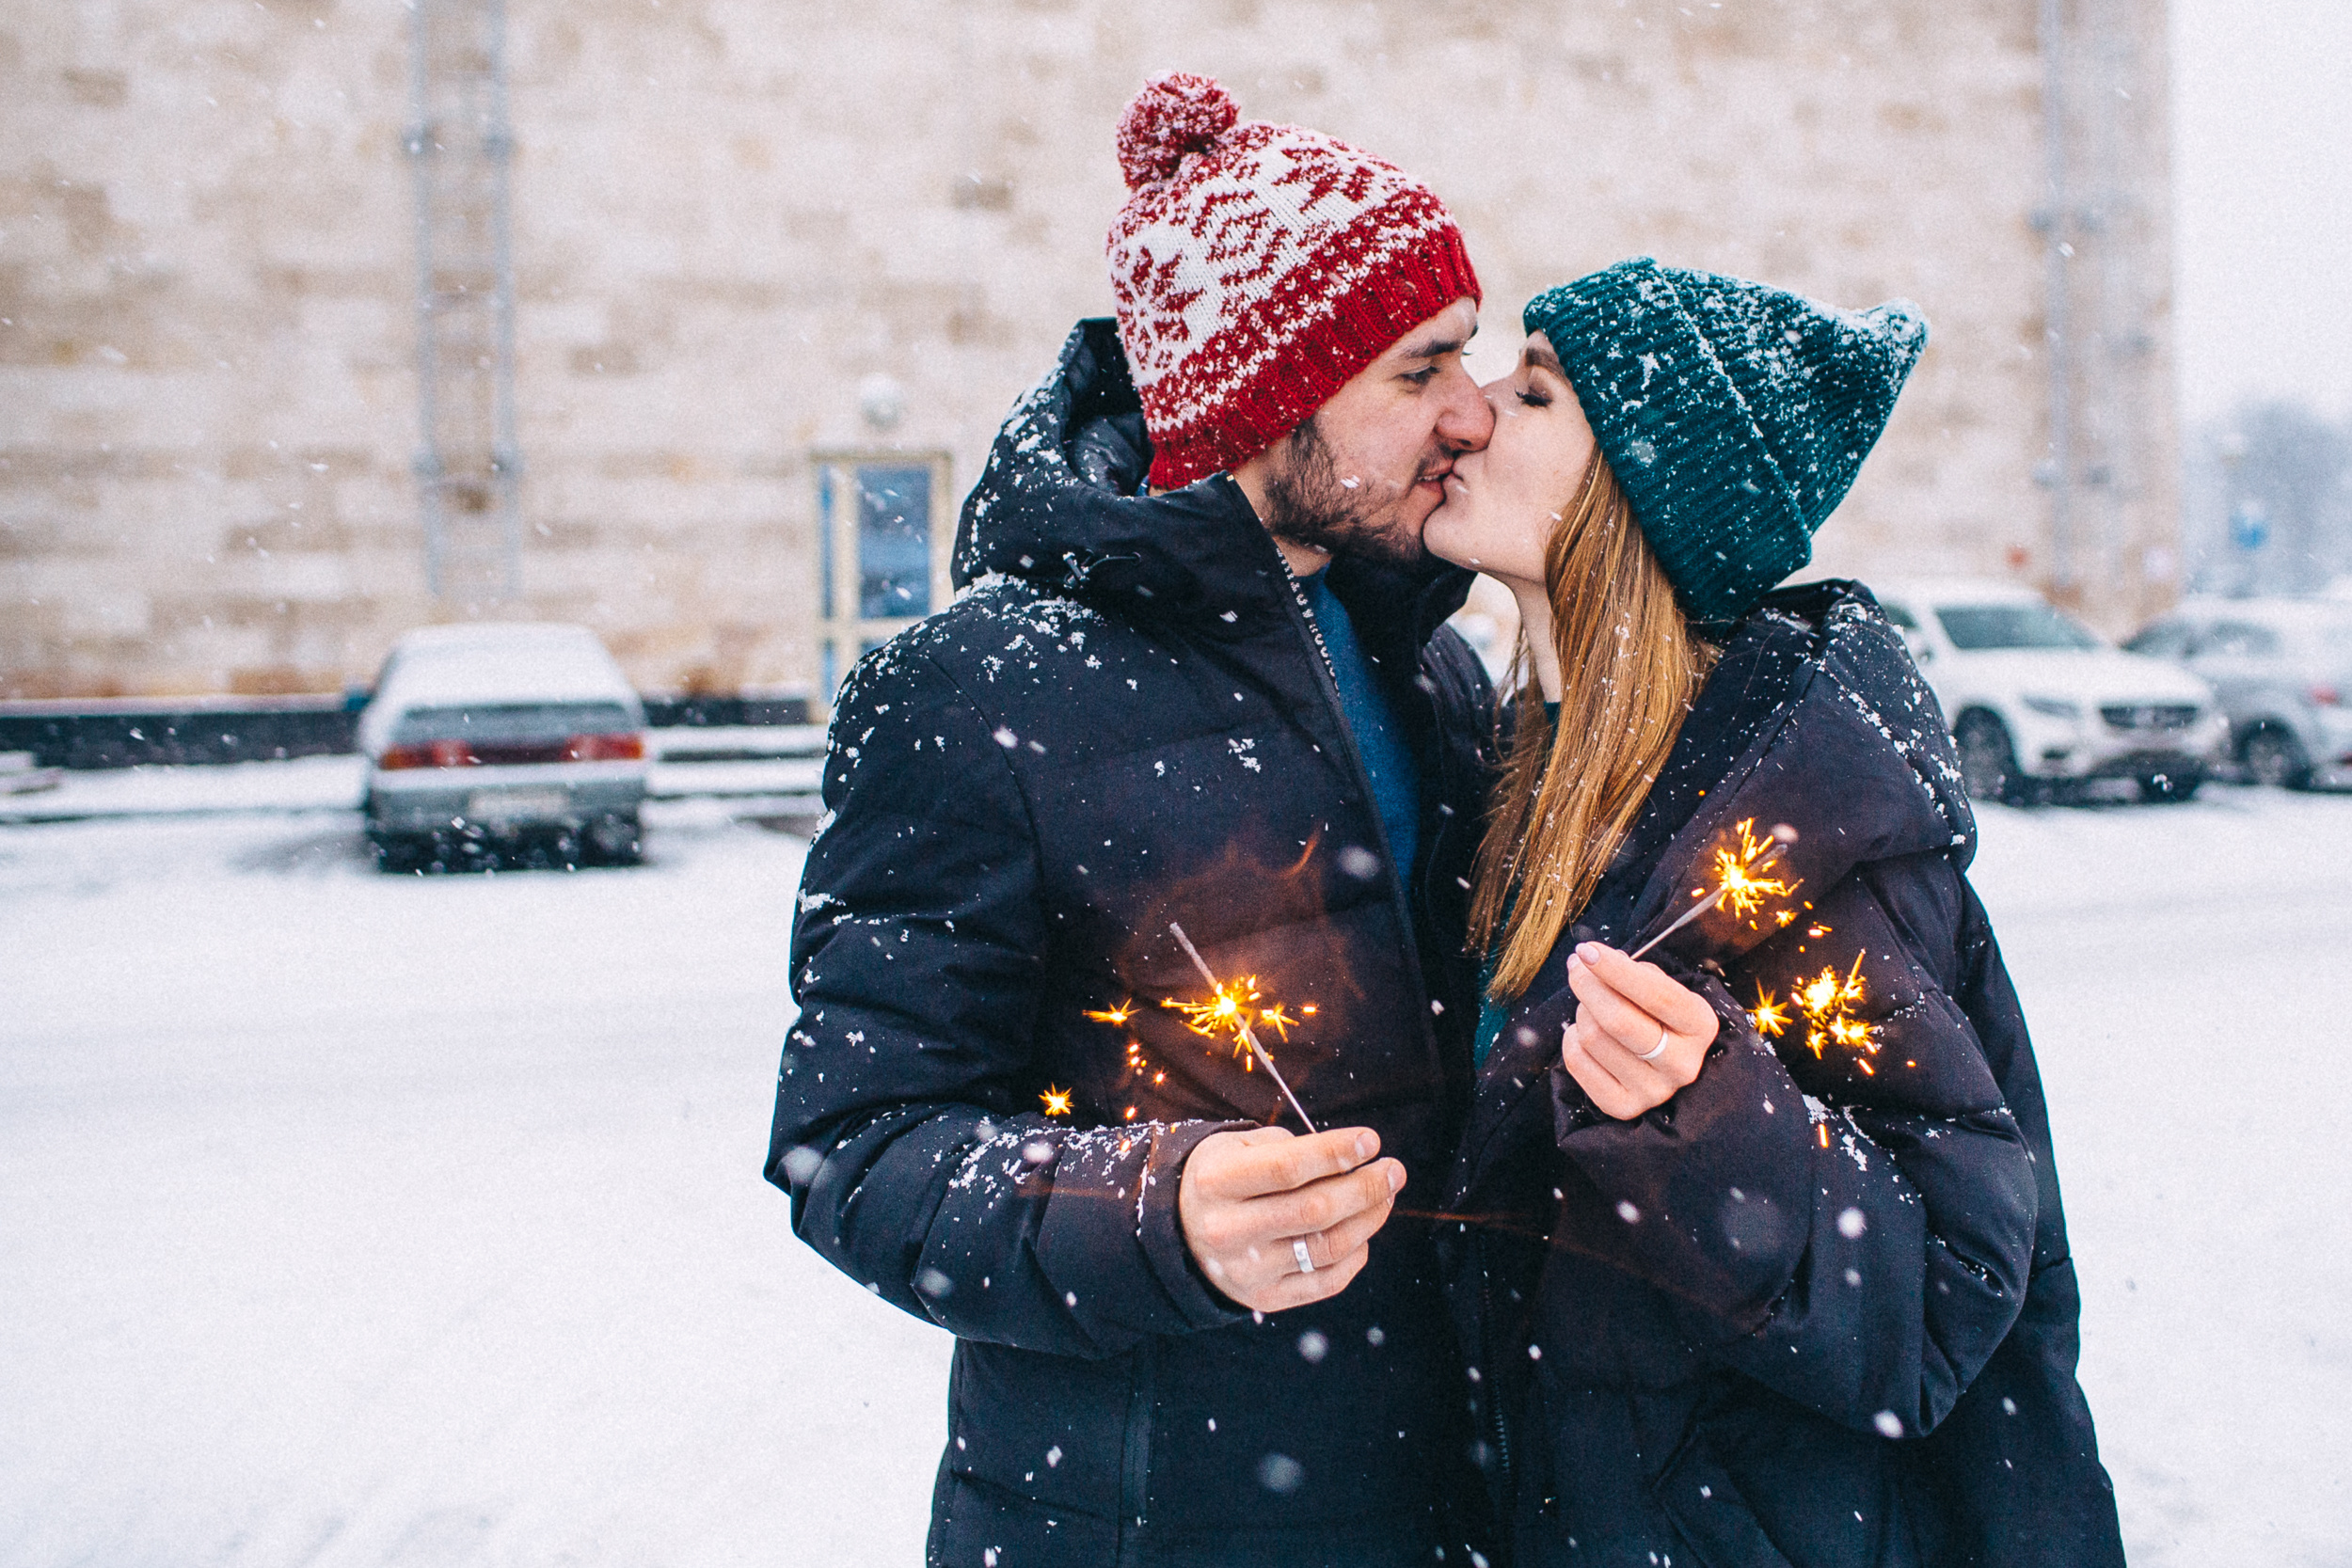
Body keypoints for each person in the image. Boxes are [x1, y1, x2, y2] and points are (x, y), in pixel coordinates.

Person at [767, 73, 1502, 1565]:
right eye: (1422, 369)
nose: (1473, 415)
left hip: (1453, 1496)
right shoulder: (972, 692)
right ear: (1271, 396)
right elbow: (855, 1144)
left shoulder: (1430, 658)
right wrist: (1151, 1211)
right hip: (1148, 1523)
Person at [1423, 259, 2127, 1565]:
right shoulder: (1525, 782)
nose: (1466, 412)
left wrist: (1715, 1120)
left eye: (1530, 394)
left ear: (1634, 500)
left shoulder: (1807, 844)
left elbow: (1953, 1303)